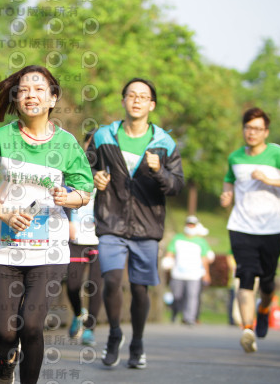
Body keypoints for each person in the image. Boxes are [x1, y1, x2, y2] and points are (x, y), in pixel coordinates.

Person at [0, 65, 93, 384]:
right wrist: (5, 213)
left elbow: (85, 191)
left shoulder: (66, 144)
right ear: (16, 98)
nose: (31, 95)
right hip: (2, 248)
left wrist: (69, 198)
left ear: (52, 98)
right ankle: (6, 357)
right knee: (5, 331)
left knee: (32, 326)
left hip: (47, 251)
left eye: (39, 89)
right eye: (23, 90)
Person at [87, 77, 184, 369]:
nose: (137, 100)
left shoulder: (164, 143)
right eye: (132, 95)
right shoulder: (104, 135)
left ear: (151, 105)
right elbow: (84, 166)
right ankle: (115, 333)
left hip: (146, 226)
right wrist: (94, 176)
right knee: (112, 280)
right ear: (123, 101)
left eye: (144, 96)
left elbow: (177, 185)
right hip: (110, 220)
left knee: (140, 289)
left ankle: (138, 341)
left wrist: (159, 172)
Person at [220, 107, 280, 353]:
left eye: (257, 129)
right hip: (240, 226)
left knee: (267, 282)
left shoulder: (279, 155)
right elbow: (229, 179)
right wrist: (227, 193)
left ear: (265, 132)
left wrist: (270, 180)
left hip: (271, 228)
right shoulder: (235, 157)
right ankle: (247, 329)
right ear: (243, 129)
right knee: (245, 276)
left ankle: (264, 309)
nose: (251, 133)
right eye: (248, 128)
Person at [65, 130, 103, 347]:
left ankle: (90, 329)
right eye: (91, 144)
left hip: (100, 237)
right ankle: (79, 314)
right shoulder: (73, 169)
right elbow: (61, 193)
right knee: (72, 284)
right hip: (76, 236)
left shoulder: (109, 172)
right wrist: (68, 219)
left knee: (96, 285)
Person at [162, 215, 212, 325]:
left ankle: (189, 318)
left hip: (195, 274)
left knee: (192, 296)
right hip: (178, 273)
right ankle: (175, 313)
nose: (190, 226)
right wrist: (167, 261)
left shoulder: (201, 241)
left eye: (192, 224)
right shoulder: (177, 238)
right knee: (177, 296)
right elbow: (170, 252)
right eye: (189, 224)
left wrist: (206, 274)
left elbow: (204, 259)